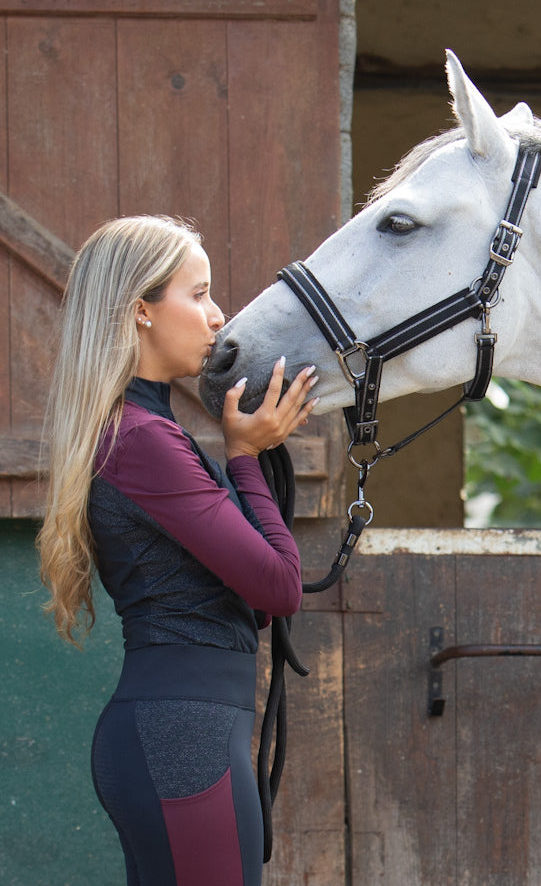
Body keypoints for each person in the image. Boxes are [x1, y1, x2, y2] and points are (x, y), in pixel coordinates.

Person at [36, 214, 317, 886]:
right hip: (181, 739)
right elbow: (277, 587)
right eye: (199, 294)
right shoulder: (144, 442)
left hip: (179, 733)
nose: (218, 316)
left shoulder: (143, 431)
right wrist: (247, 454)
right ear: (141, 312)